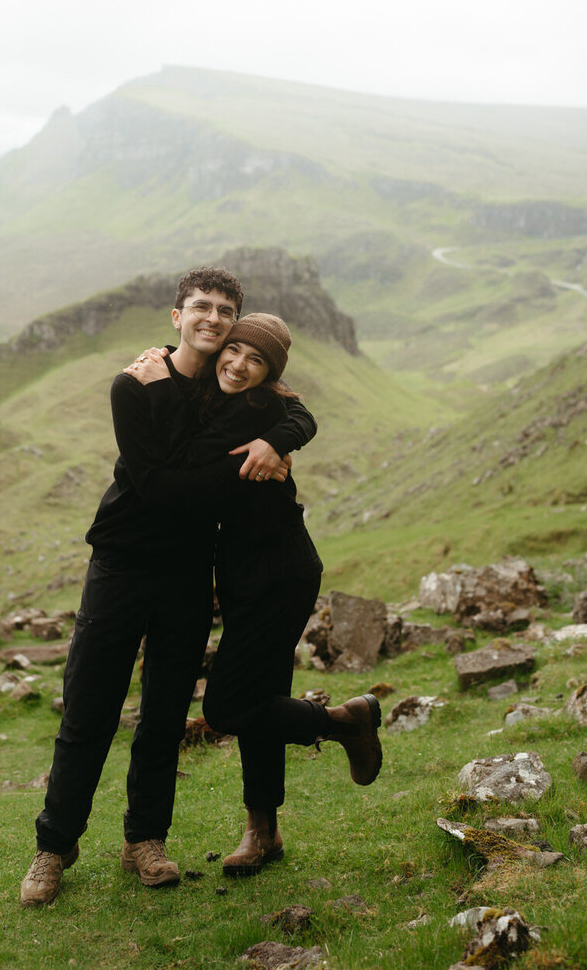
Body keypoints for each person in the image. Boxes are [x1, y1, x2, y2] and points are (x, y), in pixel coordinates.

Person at [20, 268, 317, 906]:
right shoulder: (136, 383)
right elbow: (155, 487)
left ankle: (144, 841)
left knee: (162, 716)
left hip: (188, 571)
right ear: (176, 317)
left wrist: (272, 440)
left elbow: (298, 412)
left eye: (225, 312)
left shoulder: (235, 387)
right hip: (123, 562)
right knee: (89, 710)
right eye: (201, 308)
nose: (214, 321)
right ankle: (53, 847)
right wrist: (241, 468)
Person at [124, 313, 382, 875]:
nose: (238, 365)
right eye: (233, 350)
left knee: (227, 706)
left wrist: (160, 389)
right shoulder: (223, 398)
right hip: (242, 575)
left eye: (255, 359)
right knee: (262, 700)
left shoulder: (259, 406)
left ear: (269, 374)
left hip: (279, 571)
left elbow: (198, 461)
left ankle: (343, 722)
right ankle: (263, 832)